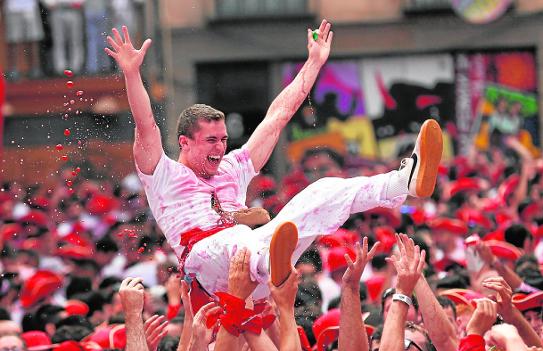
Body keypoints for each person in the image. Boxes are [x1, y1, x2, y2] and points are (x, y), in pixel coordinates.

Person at [104, 21, 443, 304]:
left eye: (223, 139)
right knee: (236, 238)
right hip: (206, 268)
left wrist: (313, 64)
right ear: (184, 142)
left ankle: (402, 182)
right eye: (211, 140)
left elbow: (277, 117)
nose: (220, 148)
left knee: (323, 190)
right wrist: (132, 74)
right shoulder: (162, 173)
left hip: (257, 267)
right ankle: (270, 261)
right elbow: (146, 124)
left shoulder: (232, 167)